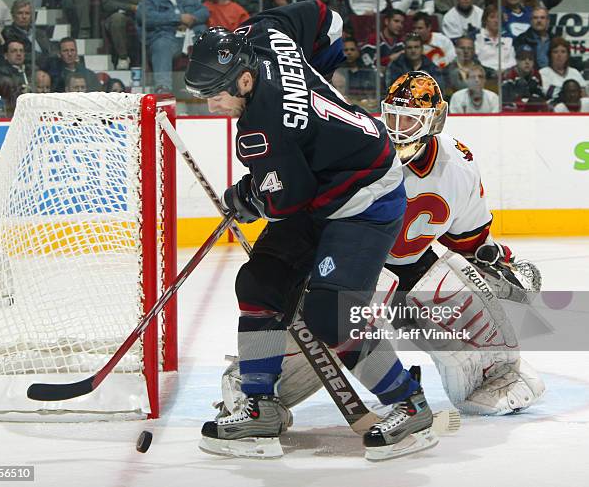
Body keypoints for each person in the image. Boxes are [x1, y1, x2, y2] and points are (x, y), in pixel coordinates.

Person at [215, 71, 545, 448]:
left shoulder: (457, 165)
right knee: (328, 314)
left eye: (410, 120)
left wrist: (497, 263)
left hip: (414, 274)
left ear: (433, 121)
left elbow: (468, 239)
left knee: (491, 384)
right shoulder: (357, 143)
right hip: (349, 270)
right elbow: (300, 206)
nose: (399, 128)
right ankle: (257, 387)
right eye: (393, 116)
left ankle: (468, 375)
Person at [184, 1, 439, 462]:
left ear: (244, 79)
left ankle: (409, 403)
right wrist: (314, 81)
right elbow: (323, 14)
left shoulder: (263, 127)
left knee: (331, 315)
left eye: (218, 94)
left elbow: (288, 199)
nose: (212, 105)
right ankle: (260, 406)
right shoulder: (262, 34)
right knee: (259, 283)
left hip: (365, 195)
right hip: (327, 175)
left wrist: (250, 198)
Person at [136, 0, 209, 94]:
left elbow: (204, 11)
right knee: (162, 45)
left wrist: (192, 19)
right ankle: (163, 88)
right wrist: (178, 19)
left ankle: (204, 84)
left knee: (206, 39)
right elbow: (144, 17)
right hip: (167, 38)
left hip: (189, 36)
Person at [2, 0, 52, 69]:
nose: (24, 17)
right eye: (20, 13)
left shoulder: (40, 33)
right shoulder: (8, 33)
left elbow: (50, 51)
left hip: (47, 68)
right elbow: (26, 56)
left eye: (27, 13)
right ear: (13, 15)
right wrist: (47, 58)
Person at [101, 0, 141, 70]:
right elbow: (108, 5)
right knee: (117, 19)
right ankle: (123, 57)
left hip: (137, 13)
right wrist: (130, 6)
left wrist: (121, 2)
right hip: (114, 14)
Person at [539, 37, 586, 102]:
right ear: (550, 55)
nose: (559, 55)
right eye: (555, 52)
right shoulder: (542, 73)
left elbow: (584, 98)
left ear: (568, 55)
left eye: (563, 52)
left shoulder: (575, 72)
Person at [501, 44, 547, 111]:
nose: (527, 62)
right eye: (523, 58)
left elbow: (540, 97)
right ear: (516, 60)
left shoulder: (536, 75)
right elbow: (506, 102)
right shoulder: (508, 75)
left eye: (530, 59)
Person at [337, 37, 378, 110]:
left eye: (352, 49)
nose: (349, 52)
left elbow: (374, 96)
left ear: (358, 52)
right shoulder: (337, 72)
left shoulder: (367, 71)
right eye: (346, 50)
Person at [475, 4, 516, 71]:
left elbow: (513, 61)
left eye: (498, 17)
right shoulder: (477, 37)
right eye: (492, 17)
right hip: (485, 74)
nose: (496, 21)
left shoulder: (509, 38)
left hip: (505, 74)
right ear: (485, 20)